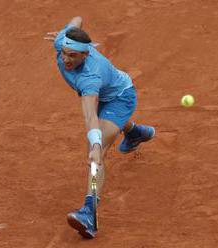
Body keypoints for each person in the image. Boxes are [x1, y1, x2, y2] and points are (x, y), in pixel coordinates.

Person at [44, 16, 155, 239]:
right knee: (107, 127)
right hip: (108, 90)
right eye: (64, 52)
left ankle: (89, 213)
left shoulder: (90, 78)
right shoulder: (63, 41)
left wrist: (95, 145)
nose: (65, 59)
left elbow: (90, 116)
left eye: (73, 56)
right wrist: (64, 31)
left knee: (98, 152)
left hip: (120, 98)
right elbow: (77, 19)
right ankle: (134, 132)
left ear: (86, 54)